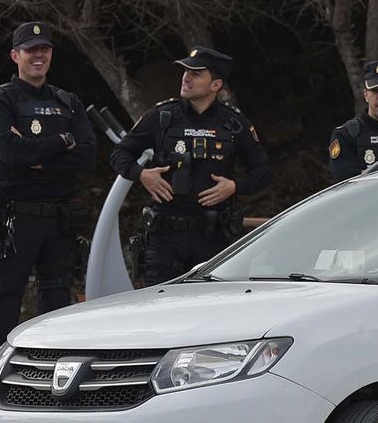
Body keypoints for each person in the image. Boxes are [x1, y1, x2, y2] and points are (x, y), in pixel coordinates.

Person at [0, 21, 96, 391]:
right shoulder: (2, 100)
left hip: (59, 220)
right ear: (16, 56)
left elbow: (88, 155)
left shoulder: (67, 101)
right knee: (4, 305)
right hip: (17, 217)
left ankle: (46, 388)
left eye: (44, 49)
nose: (39, 55)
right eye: (31, 50)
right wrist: (62, 142)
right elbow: (10, 153)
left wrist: (38, 155)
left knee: (56, 307)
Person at [110, 47, 271, 285]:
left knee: (211, 305)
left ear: (216, 84)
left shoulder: (234, 124)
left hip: (214, 238)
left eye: (196, 73)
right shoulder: (163, 116)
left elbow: (263, 172)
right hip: (165, 237)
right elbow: (119, 154)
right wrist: (142, 174)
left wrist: (234, 186)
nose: (186, 77)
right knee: (160, 304)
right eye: (185, 71)